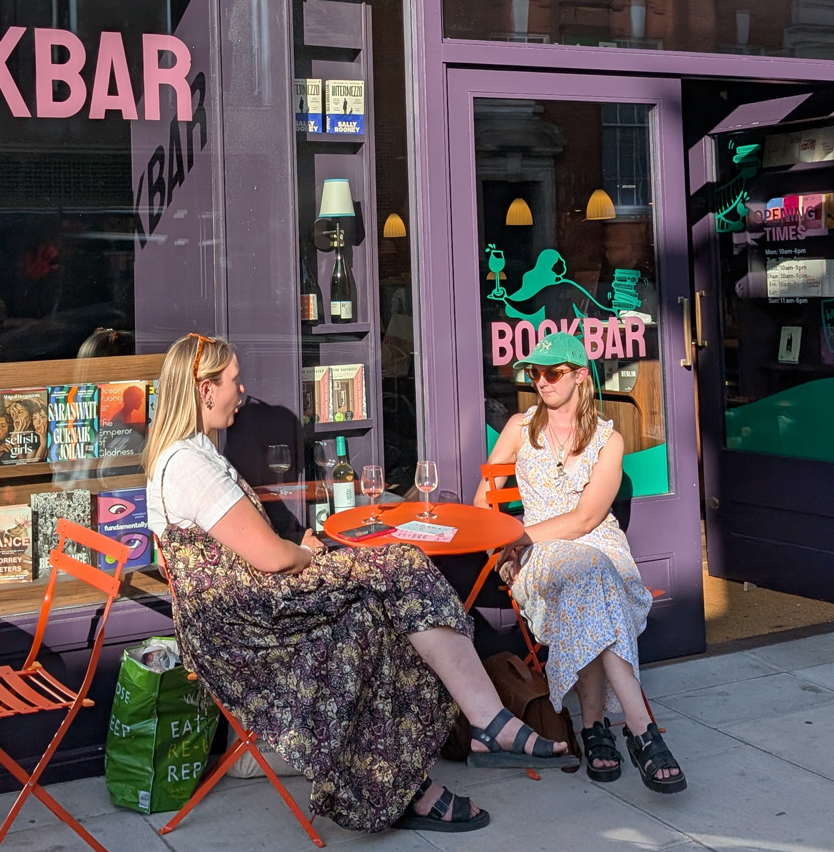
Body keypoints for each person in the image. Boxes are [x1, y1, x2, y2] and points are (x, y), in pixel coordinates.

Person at [145, 333, 567, 835]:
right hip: (248, 628)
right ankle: (480, 730)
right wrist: (304, 551)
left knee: (389, 595)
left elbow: (239, 551)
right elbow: (270, 557)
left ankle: (445, 757)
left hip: (247, 609)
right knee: (400, 573)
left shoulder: (187, 453)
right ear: (205, 389)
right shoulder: (191, 464)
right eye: (235, 381)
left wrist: (294, 551)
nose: (242, 392)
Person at [478, 330, 685, 793]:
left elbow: (588, 517)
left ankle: (594, 727)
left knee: (591, 576)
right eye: (534, 373)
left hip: (596, 545)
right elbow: (482, 502)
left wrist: (520, 534)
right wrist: (505, 544)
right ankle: (639, 729)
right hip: (538, 556)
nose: (542, 381)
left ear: (578, 376)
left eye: (552, 372)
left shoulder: (608, 441)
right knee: (587, 579)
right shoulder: (519, 427)